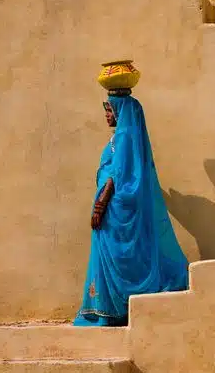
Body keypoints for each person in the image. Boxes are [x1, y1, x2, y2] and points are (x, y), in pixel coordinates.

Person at [73, 90, 189, 326]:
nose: (106, 115)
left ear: (121, 112)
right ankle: (120, 307)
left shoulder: (125, 137)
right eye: (105, 109)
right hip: (117, 208)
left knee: (120, 257)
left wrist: (100, 205)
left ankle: (115, 309)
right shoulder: (124, 137)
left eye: (109, 109)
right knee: (125, 256)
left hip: (114, 209)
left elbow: (117, 175)